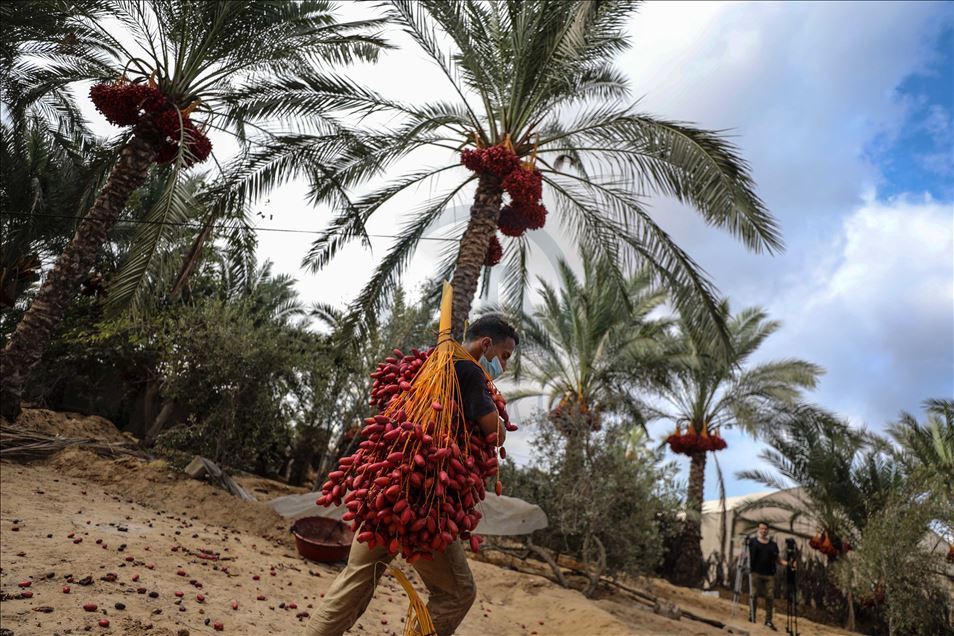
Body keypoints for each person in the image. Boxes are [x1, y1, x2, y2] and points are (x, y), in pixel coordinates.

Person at [305, 314, 519, 636]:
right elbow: (495, 433)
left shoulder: (431, 363)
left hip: (383, 495)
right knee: (458, 593)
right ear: (486, 344)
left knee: (356, 579)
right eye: (504, 357)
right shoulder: (469, 372)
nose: (502, 365)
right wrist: (500, 422)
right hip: (426, 500)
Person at [747, 521, 793, 630]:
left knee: (770, 597)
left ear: (768, 530)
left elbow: (777, 559)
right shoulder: (752, 542)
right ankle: (752, 616)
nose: (763, 531)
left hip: (769, 575)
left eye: (765, 529)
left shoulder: (773, 545)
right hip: (755, 573)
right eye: (761, 528)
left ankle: (768, 621)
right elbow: (746, 554)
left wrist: (788, 563)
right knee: (753, 595)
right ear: (758, 529)